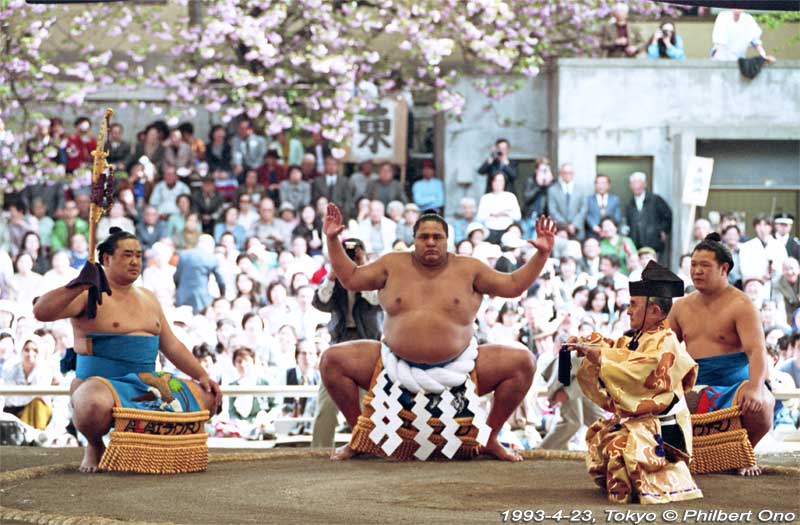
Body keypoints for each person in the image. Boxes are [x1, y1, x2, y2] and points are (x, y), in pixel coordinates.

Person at [319, 203, 556, 461]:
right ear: (414, 240)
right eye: (424, 237)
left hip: (462, 368)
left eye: (437, 237)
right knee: (332, 360)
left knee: (522, 362)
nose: (430, 242)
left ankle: (489, 438)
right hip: (391, 366)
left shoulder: (470, 268)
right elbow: (351, 278)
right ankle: (360, 436)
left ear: (448, 241)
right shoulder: (391, 264)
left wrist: (541, 255)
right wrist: (333, 239)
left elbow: (513, 285)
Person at [32, 228, 221, 472]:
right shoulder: (88, 295)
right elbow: (40, 312)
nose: (134, 261)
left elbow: (172, 345)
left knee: (206, 397)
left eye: (139, 256)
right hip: (100, 383)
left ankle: (153, 446)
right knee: (91, 404)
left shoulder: (149, 298)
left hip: (148, 382)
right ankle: (94, 444)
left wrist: (202, 375)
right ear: (107, 259)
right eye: (127, 255)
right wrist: (77, 284)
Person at [570, 261, 702, 504]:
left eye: (633, 305)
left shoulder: (666, 342)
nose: (628, 311)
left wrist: (599, 356)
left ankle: (660, 480)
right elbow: (621, 352)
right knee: (601, 438)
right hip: (642, 420)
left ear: (654, 311)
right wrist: (591, 344)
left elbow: (641, 370)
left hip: (663, 427)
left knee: (620, 449)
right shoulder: (643, 336)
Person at [667, 233, 774, 476]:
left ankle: (744, 453)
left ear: (724, 268)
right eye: (694, 265)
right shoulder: (680, 306)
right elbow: (663, 347)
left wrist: (756, 387)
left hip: (736, 383)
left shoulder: (742, 304)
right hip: (694, 383)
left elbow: (757, 351)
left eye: (705, 265)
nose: (697, 271)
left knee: (763, 403)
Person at [310, 238, 382, 448]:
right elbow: (321, 302)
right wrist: (333, 274)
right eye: (346, 253)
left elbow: (376, 300)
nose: (350, 257)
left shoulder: (373, 278)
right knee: (326, 405)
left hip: (367, 345)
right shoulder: (336, 281)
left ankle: (370, 446)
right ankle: (319, 451)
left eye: (354, 253)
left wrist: (362, 270)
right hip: (339, 347)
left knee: (368, 404)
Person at [623, 172, 671, 264]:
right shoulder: (629, 204)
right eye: (634, 183)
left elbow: (667, 215)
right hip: (636, 245)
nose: (637, 186)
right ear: (630, 186)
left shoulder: (655, 199)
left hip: (654, 243)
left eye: (639, 182)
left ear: (645, 184)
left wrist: (664, 231)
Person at [711, 9, 776, 63]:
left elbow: (755, 41)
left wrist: (764, 57)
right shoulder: (723, 16)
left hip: (739, 61)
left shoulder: (748, 19)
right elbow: (719, 43)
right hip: (721, 59)